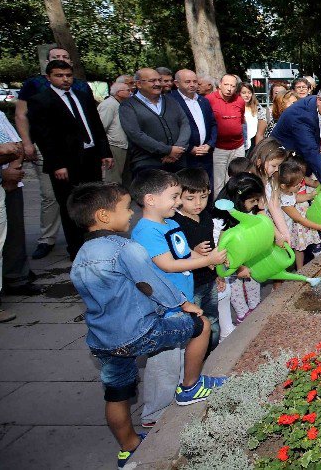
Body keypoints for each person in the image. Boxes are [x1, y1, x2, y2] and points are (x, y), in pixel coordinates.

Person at [67, 182, 225, 468]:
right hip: (140, 331)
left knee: (117, 394)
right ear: (104, 216)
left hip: (103, 340)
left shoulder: (81, 255)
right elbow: (152, 284)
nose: (131, 213)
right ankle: (190, 386)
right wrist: (183, 304)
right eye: (126, 208)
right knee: (200, 325)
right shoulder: (125, 248)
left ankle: (128, 448)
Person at [129, 169, 227, 429]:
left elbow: (182, 257)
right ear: (150, 199)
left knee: (190, 340)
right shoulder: (147, 231)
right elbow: (167, 264)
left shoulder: (170, 223)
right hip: (165, 305)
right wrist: (208, 260)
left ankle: (188, 385)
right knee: (165, 361)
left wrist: (197, 256)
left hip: (179, 299)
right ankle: (154, 414)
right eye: (174, 196)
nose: (178, 202)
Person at [27, 60, 114, 260]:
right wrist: (57, 163)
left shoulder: (82, 96)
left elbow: (96, 125)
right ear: (48, 77)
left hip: (90, 157)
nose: (65, 79)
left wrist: (105, 152)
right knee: (70, 204)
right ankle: (76, 248)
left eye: (68, 75)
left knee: (93, 200)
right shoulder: (41, 100)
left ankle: (96, 241)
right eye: (59, 75)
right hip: (66, 162)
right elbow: (44, 136)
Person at [15, 47, 91, 259]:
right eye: (56, 58)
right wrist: (27, 143)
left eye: (65, 58)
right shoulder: (34, 87)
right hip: (51, 151)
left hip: (83, 153)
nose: (61, 60)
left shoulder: (81, 87)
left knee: (87, 196)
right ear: (47, 68)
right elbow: (23, 116)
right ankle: (47, 239)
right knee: (52, 196)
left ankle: (87, 238)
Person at [269, 84, 321, 201]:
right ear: (319, 100)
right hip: (280, 163)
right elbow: (310, 151)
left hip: (299, 165)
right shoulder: (301, 115)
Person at [173, 168, 221, 349]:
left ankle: (211, 356)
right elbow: (176, 252)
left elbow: (212, 248)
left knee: (213, 321)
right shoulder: (176, 222)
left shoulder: (206, 216)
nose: (198, 203)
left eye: (203, 197)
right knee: (197, 325)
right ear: (178, 197)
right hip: (191, 284)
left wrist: (218, 275)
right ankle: (195, 360)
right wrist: (193, 250)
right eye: (190, 198)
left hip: (209, 280)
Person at [212, 173, 267, 332]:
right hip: (228, 262)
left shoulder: (246, 211)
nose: (256, 204)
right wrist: (239, 267)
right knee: (234, 286)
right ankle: (243, 314)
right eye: (252, 201)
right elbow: (222, 248)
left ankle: (255, 307)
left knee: (253, 281)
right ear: (238, 199)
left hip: (246, 257)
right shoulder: (221, 220)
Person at [119, 68, 190, 177]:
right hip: (147, 164)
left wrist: (178, 149)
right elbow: (135, 134)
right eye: (152, 81)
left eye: (159, 80)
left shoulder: (171, 101)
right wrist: (167, 150)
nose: (158, 84)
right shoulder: (128, 106)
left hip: (178, 162)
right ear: (139, 84)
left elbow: (184, 123)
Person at [0, 109, 32, 301]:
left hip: (10, 182)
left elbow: (16, 147)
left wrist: (14, 169)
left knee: (13, 232)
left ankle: (15, 277)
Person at [276, 156, 321, 270]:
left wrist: (311, 195)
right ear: (284, 185)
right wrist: (319, 227)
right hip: (281, 232)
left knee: (297, 248)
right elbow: (300, 219)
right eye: (297, 185)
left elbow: (297, 197)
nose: (301, 185)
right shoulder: (284, 201)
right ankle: (279, 282)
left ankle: (299, 270)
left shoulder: (288, 193)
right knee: (283, 256)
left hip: (287, 229)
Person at [170, 69, 218, 189]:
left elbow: (213, 124)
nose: (192, 85)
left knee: (206, 188)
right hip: (184, 157)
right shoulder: (170, 100)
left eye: (195, 81)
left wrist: (209, 144)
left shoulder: (203, 101)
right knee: (187, 189)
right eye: (187, 82)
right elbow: (171, 129)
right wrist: (189, 148)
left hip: (205, 155)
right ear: (177, 83)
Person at [98, 81, 132, 185]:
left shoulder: (119, 104)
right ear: (118, 92)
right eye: (128, 90)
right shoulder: (109, 105)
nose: (130, 93)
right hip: (114, 145)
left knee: (125, 176)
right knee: (113, 178)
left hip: (123, 145)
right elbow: (101, 127)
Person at [240, 83, 265, 152]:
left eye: (249, 92)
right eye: (243, 93)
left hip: (254, 144)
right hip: (241, 144)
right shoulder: (236, 108)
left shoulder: (258, 108)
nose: (247, 95)